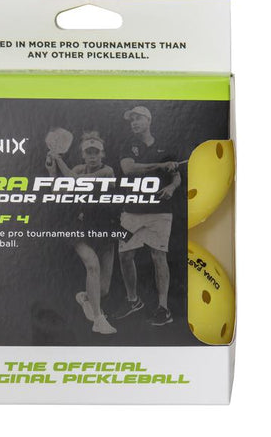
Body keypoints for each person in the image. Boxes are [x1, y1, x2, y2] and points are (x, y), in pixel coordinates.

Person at [113, 106, 181, 326]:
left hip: (160, 212)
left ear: (149, 120)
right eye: (131, 119)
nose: (134, 122)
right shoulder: (127, 145)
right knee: (125, 256)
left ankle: (163, 308)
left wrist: (171, 187)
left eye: (138, 118)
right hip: (131, 211)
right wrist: (161, 165)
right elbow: (129, 169)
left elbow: (176, 176)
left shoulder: (165, 146)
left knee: (158, 256)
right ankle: (133, 301)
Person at [46, 131, 117, 335]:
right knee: (92, 265)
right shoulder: (77, 168)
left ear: (102, 154)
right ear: (83, 155)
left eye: (96, 152)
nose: (93, 156)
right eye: (88, 152)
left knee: (103, 290)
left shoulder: (107, 172)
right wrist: (52, 172)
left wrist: (58, 159)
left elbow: (75, 180)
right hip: (79, 226)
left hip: (105, 227)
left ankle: (86, 298)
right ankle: (98, 320)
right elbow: (58, 192)